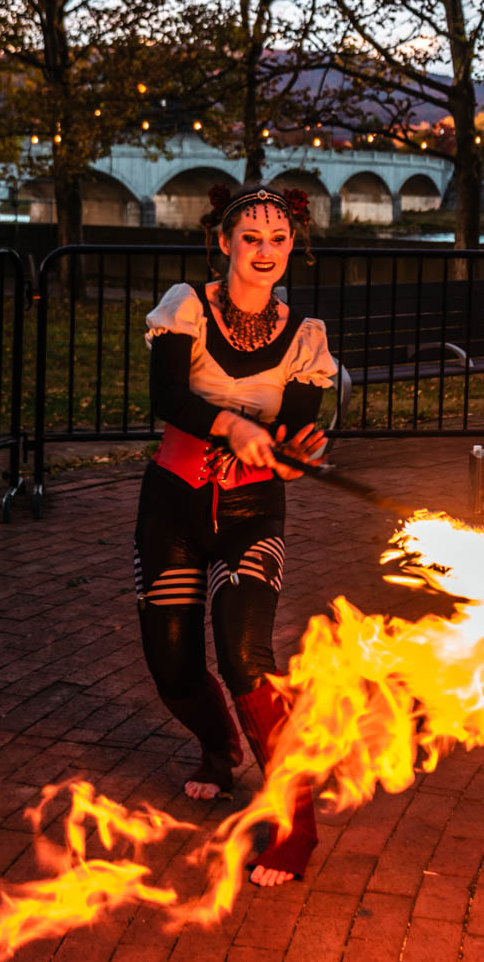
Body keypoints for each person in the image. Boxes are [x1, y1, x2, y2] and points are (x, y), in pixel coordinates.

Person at [133, 181, 337, 887]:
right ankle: (220, 750)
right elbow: (166, 396)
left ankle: (293, 824)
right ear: (223, 242)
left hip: (252, 515)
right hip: (173, 504)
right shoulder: (185, 306)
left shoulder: (305, 337)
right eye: (250, 238)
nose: (265, 252)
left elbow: (298, 431)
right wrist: (232, 424)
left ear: (291, 248)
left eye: (278, 240)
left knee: (245, 654)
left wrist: (297, 453)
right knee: (173, 663)